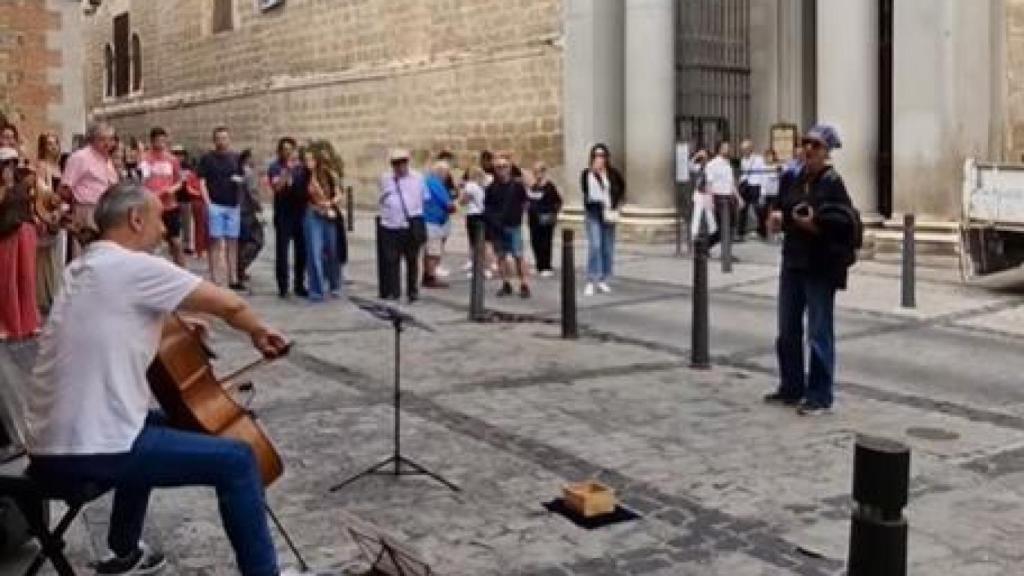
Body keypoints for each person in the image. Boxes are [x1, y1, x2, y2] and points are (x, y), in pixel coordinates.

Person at [24, 182, 299, 576]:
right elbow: (230, 303)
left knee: (155, 422)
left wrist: (173, 326)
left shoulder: (81, 269)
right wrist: (259, 331)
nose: (164, 228)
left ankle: (124, 550)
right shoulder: (133, 266)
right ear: (136, 219)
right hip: (91, 450)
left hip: (50, 444)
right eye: (157, 218)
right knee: (238, 460)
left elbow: (107, 325)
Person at [764, 124, 856, 416]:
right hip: (792, 260)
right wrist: (777, 218)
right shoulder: (794, 177)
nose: (808, 150)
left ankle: (819, 395)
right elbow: (782, 207)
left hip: (819, 265)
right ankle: (791, 385)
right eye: (806, 144)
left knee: (818, 331)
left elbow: (843, 222)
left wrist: (814, 225)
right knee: (787, 328)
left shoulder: (832, 182)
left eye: (815, 146)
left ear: (827, 152)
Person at [60, 121, 118, 253]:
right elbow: (65, 188)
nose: (107, 143)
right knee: (86, 252)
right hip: (86, 210)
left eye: (110, 139)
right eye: (102, 139)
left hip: (105, 210)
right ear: (93, 139)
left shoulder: (107, 160)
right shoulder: (80, 157)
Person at [0, 156, 41, 341]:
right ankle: (8, 324)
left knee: (27, 277)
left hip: (24, 230)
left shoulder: (24, 185)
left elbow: (36, 205)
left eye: (13, 164)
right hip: (6, 233)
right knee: (7, 279)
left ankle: (29, 322)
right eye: (6, 165)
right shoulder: (4, 189)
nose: (10, 168)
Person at [378, 148, 426, 303]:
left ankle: (412, 291)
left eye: (402, 162)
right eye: (396, 163)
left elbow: (423, 198)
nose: (399, 167)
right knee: (392, 260)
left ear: (407, 162)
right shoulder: (386, 179)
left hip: (410, 224)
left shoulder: (417, 178)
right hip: (391, 225)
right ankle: (394, 291)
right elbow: (382, 198)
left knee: (412, 259)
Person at [198, 127, 244, 289]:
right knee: (215, 241)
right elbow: (202, 181)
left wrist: (239, 195)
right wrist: (208, 202)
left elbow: (241, 178)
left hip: (232, 204)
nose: (222, 141)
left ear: (229, 139)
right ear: (214, 140)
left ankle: (233, 278)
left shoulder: (236, 158)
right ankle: (215, 278)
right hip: (215, 203)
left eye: (224, 138)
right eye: (218, 138)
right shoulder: (207, 158)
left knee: (232, 242)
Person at [580, 143, 625, 296]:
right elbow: (588, 193)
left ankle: (603, 278)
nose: (600, 158)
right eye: (596, 155)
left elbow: (621, 187)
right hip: (594, 213)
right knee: (595, 246)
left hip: (608, 214)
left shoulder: (612, 173)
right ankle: (592, 279)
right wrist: (594, 173)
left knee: (607, 247)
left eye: (602, 155)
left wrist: (617, 205)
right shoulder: (587, 174)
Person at [268, 137, 308, 299]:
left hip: (299, 212)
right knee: (282, 252)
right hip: (283, 213)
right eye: (284, 149)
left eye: (290, 149)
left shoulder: (301, 168)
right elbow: (277, 187)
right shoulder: (275, 167)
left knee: (301, 251)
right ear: (280, 151)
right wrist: (287, 171)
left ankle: (299, 284)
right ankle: (283, 286)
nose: (288, 152)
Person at [140, 127, 185, 267]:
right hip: (152, 205)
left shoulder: (172, 160)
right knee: (153, 242)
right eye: (157, 141)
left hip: (170, 205)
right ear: (152, 141)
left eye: (163, 140)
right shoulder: (146, 159)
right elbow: (142, 180)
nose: (160, 144)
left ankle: (182, 270)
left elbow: (179, 181)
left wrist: (172, 189)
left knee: (176, 241)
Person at [302, 147, 341, 301]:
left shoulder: (329, 174)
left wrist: (330, 203)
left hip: (329, 213)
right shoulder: (304, 176)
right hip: (312, 213)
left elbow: (339, 193)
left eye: (310, 159)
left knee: (332, 251)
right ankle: (316, 290)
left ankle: (334, 285)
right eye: (305, 160)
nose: (308, 163)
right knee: (314, 252)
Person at [489, 154, 531, 298]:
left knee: (518, 256)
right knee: (501, 257)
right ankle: (505, 283)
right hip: (497, 227)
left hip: (513, 226)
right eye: (498, 167)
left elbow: (525, 203)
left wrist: (518, 216)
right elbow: (488, 207)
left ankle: (524, 284)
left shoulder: (517, 186)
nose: (501, 170)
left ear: (510, 168)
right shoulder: (491, 188)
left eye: (504, 166)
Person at [33, 132, 66, 313]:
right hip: (48, 213)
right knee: (44, 258)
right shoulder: (42, 166)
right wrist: (52, 210)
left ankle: (55, 292)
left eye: (55, 143)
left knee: (56, 255)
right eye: (49, 144)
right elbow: (43, 192)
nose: (52, 147)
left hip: (60, 212)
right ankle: (43, 296)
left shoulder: (59, 167)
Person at [704, 141, 744, 252]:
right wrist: (710, 201)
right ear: (719, 149)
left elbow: (731, 183)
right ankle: (706, 246)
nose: (728, 150)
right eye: (726, 148)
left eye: (728, 147)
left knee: (730, 226)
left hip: (729, 197)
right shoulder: (712, 164)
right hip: (719, 197)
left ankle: (726, 252)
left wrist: (738, 197)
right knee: (722, 227)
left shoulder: (728, 164)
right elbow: (709, 184)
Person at [526, 161, 562, 277]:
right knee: (535, 242)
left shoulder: (549, 186)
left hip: (546, 219)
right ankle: (539, 265)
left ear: (544, 172)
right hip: (533, 220)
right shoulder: (533, 187)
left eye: (539, 171)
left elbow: (557, 201)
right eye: (534, 172)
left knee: (545, 242)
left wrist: (551, 212)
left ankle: (546, 266)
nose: (537, 174)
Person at [422, 160, 454, 289]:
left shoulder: (430, 182)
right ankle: (430, 277)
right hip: (433, 221)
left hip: (434, 220)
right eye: (446, 172)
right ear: (441, 172)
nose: (447, 175)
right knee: (433, 251)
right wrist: (453, 207)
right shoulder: (434, 183)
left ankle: (428, 275)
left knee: (431, 250)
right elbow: (447, 204)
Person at [459, 166, 493, 278]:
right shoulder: (488, 182)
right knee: (487, 243)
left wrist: (462, 195)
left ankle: (476, 269)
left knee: (475, 244)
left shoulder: (470, 185)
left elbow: (463, 201)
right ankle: (487, 268)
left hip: (473, 216)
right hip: (486, 215)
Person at [237, 149, 265, 284]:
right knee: (257, 241)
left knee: (241, 242)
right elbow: (253, 193)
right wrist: (259, 209)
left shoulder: (238, 173)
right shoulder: (249, 174)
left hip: (239, 211)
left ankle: (239, 269)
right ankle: (241, 267)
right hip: (248, 212)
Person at [737, 139, 766, 241]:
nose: (744, 151)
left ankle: (762, 231)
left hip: (755, 185)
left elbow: (763, 174)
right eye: (742, 149)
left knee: (758, 209)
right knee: (742, 208)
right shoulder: (743, 160)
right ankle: (740, 232)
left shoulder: (759, 159)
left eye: (746, 149)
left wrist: (763, 191)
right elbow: (743, 173)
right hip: (745, 185)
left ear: (751, 149)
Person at [757, 149, 781, 240]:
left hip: (775, 193)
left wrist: (778, 170)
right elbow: (761, 181)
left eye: (771, 156)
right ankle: (763, 233)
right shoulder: (762, 167)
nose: (769, 158)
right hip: (765, 193)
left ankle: (776, 233)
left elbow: (779, 177)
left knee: (775, 214)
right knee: (763, 213)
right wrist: (761, 194)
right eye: (767, 156)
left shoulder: (778, 166)